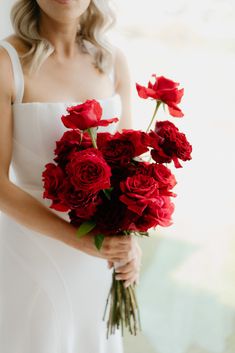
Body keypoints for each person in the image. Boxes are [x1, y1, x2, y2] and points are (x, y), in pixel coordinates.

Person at [0, 0, 142, 352]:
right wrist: (79, 240)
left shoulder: (113, 62)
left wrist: (130, 242)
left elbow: (130, 172)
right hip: (32, 254)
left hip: (101, 259)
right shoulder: (6, 64)